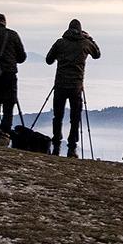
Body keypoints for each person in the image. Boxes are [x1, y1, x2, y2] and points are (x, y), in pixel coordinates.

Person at [45, 18, 101, 158]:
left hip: (60, 84)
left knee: (58, 116)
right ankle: (72, 149)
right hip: (76, 85)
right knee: (75, 118)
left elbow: (48, 60)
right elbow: (97, 54)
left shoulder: (60, 43)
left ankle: (56, 146)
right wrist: (90, 38)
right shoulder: (85, 43)